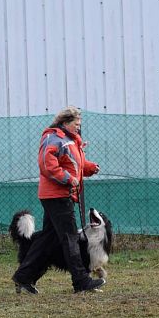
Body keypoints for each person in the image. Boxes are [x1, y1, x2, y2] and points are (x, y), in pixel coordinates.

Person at [12, 106, 105, 294]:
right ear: (64, 123)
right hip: (57, 195)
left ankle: (23, 277)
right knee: (70, 238)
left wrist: (89, 168)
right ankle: (80, 281)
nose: (78, 128)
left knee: (48, 238)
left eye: (79, 125)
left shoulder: (69, 141)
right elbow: (47, 164)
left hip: (61, 194)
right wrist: (67, 179)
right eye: (75, 124)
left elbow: (73, 164)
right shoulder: (53, 138)